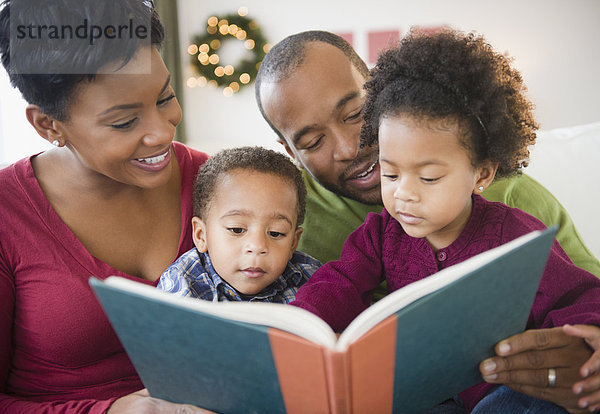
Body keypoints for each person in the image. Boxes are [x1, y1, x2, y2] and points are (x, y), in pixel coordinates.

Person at [255, 30, 600, 412]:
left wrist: (589, 343)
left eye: (354, 115)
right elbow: (338, 283)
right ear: (289, 150)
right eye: (313, 141)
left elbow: (580, 293)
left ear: (482, 174)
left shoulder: (516, 222)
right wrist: (296, 331)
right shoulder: (295, 214)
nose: (349, 147)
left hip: (508, 388)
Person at [0, 0, 213, 412]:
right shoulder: (8, 215)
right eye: (124, 122)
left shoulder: (214, 180)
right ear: (48, 125)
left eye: (165, 97)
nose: (161, 133)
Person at [158, 146, 321, 302]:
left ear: (293, 243)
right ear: (201, 235)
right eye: (237, 229)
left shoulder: (312, 278)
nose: (257, 246)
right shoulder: (184, 281)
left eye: (276, 233)